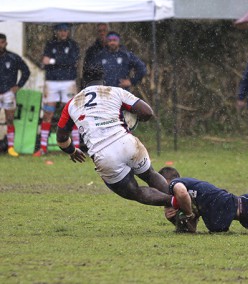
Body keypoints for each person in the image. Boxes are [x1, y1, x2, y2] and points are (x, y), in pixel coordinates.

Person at [56, 63, 191, 212]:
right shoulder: (116, 92)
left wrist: (72, 151)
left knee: (135, 192)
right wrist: (134, 120)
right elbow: (147, 112)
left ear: (82, 81)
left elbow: (61, 138)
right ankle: (185, 201)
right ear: (103, 80)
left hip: (104, 155)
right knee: (150, 175)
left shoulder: (72, 104)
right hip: (127, 143)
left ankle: (176, 202)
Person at [34, 23, 80, 157]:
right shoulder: (50, 44)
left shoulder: (73, 45)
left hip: (68, 82)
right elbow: (44, 62)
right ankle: (43, 148)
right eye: (60, 30)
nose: (63, 33)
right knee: (47, 114)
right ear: (56, 32)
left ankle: (76, 147)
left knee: (73, 113)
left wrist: (53, 61)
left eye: (65, 30)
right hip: (51, 82)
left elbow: (72, 62)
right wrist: (60, 62)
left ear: (68, 32)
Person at [0, 33, 30, 157]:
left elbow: (26, 71)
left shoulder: (13, 57)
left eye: (1, 42)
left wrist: (18, 86)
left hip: (8, 92)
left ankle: (11, 147)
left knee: (10, 120)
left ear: (6, 43)